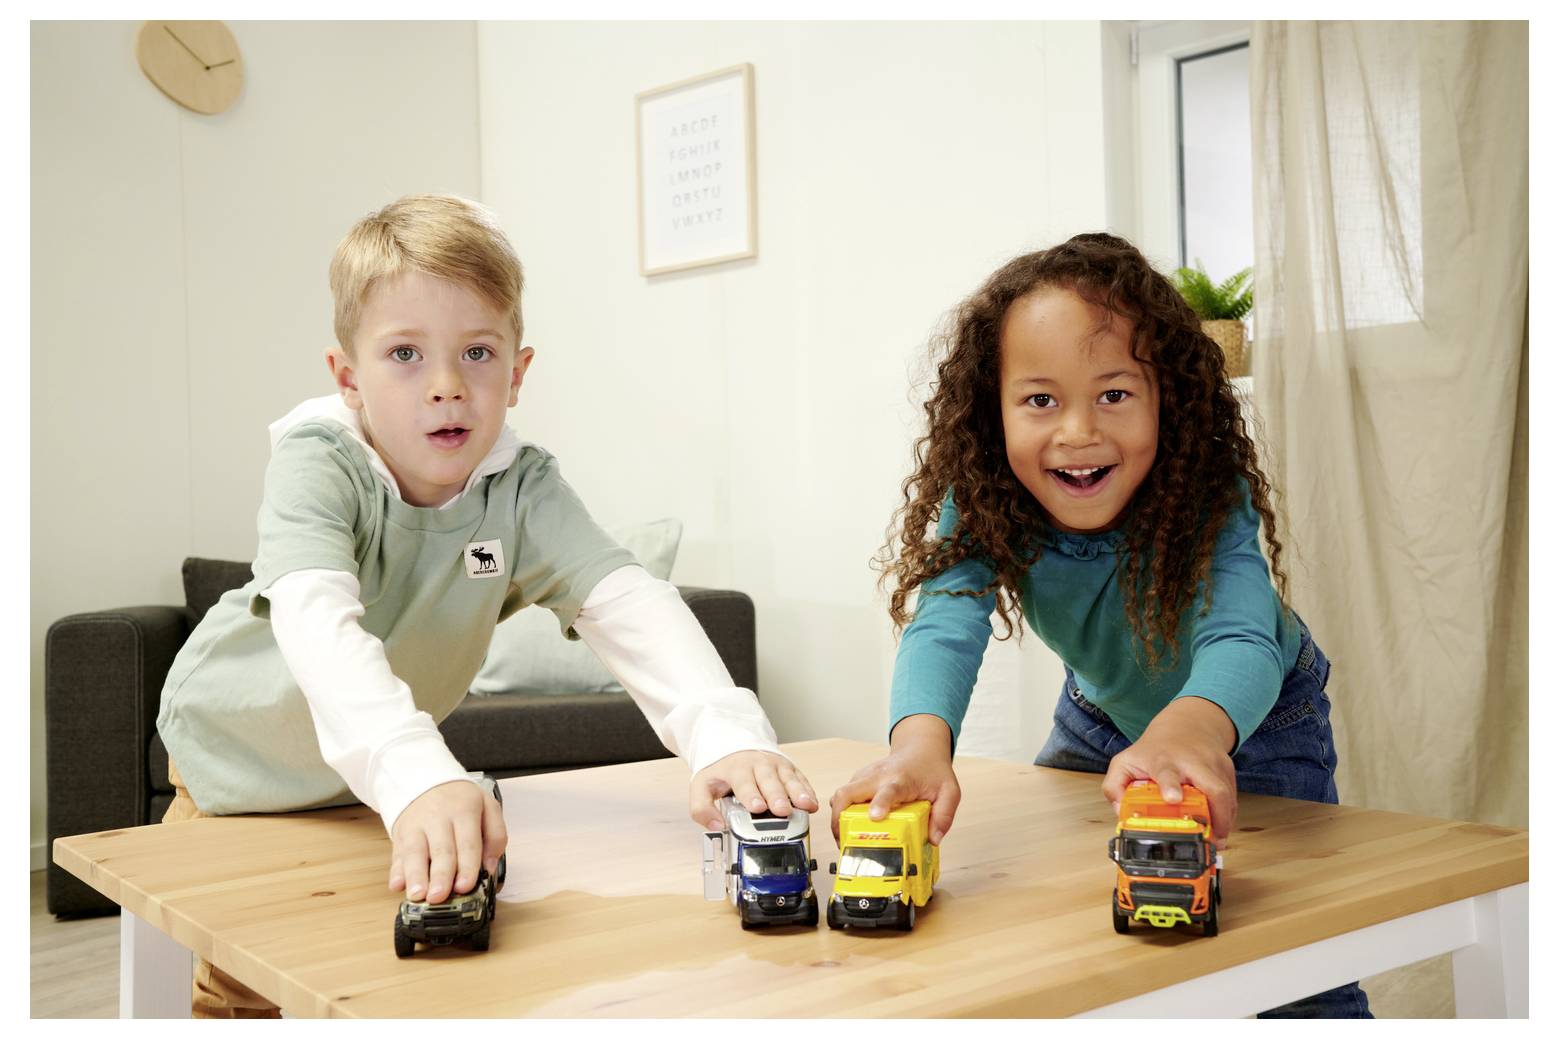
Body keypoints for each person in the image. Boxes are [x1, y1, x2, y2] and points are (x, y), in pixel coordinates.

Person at [155, 194, 816, 1017]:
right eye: (404, 353)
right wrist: (415, 772)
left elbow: (625, 599)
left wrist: (722, 734)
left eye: (476, 352)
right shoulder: (318, 461)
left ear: (517, 370)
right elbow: (315, 618)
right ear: (347, 378)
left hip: (373, 783)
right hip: (240, 761)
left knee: (385, 967)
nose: (445, 387)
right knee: (247, 976)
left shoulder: (521, 485)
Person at [829, 233, 1370, 1018]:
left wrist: (1190, 731)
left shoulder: (1204, 489)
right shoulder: (984, 495)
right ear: (994, 408)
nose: (1077, 431)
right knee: (1083, 921)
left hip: (1255, 726)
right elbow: (946, 620)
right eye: (1040, 399)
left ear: (1167, 402)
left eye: (1113, 393)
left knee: (1287, 953)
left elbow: (1241, 637)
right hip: (1099, 718)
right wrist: (917, 744)